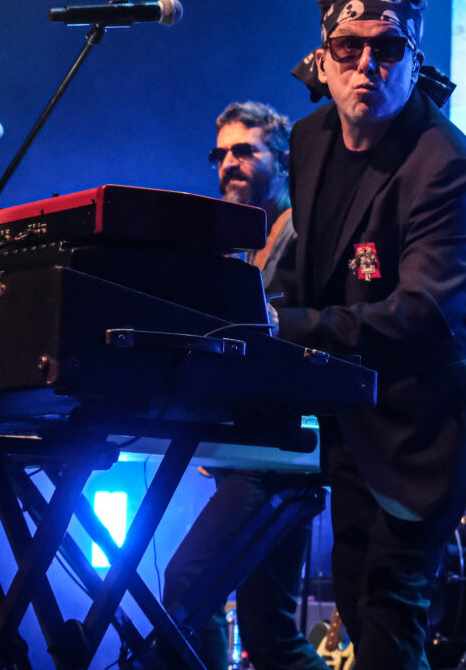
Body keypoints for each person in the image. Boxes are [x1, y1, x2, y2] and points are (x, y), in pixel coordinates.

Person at [272, 0, 466, 667]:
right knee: (357, 597)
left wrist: (282, 330)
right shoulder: (311, 138)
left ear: (414, 59)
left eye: (387, 48)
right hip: (359, 404)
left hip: (434, 419)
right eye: (348, 48)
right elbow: (315, 269)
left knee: (387, 610)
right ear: (323, 57)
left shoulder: (446, 164)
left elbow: (423, 315)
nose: (366, 66)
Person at [161, 102, 329, 670]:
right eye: (220, 154)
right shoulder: (242, 245)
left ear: (281, 160)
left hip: (278, 455)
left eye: (243, 151)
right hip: (252, 450)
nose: (228, 164)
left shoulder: (305, 233)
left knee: (187, 591)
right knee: (269, 632)